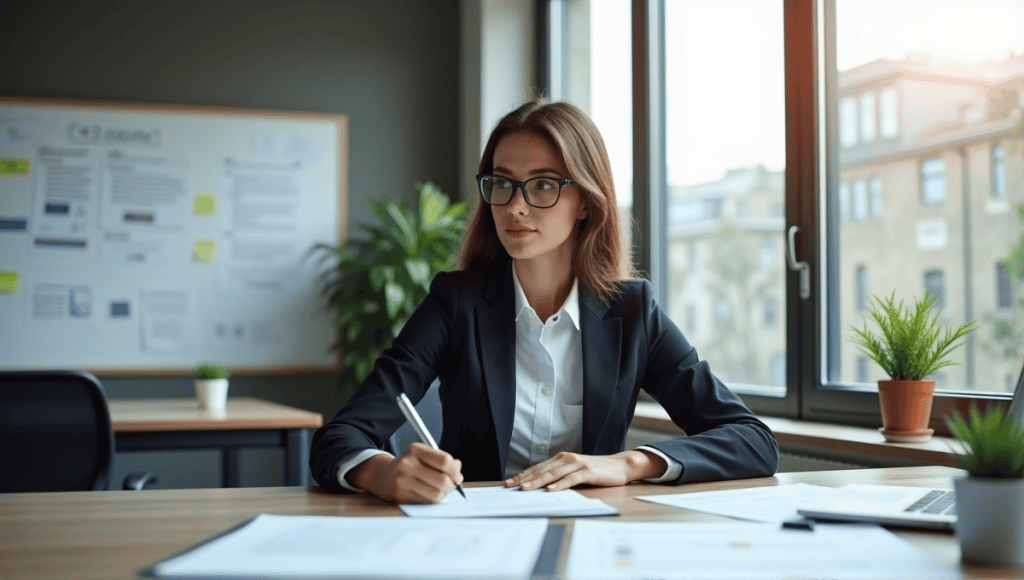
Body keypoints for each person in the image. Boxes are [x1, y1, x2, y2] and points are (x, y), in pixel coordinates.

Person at [310, 99, 778, 504]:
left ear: (586, 202)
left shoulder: (632, 311)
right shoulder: (456, 303)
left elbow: (753, 440)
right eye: (502, 183)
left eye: (543, 185)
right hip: (476, 538)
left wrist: (629, 464)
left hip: (590, 537)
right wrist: (384, 473)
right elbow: (339, 438)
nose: (514, 206)